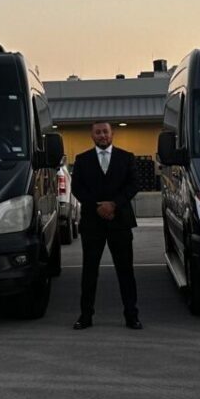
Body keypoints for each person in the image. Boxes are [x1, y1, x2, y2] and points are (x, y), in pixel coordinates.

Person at [70, 119, 140, 330]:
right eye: (98, 132)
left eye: (105, 132)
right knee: (89, 272)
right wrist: (97, 207)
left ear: (112, 134)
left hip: (120, 223)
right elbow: (77, 189)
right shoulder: (82, 160)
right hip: (92, 223)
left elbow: (134, 185)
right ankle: (85, 316)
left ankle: (132, 316)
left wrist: (113, 205)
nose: (102, 135)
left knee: (125, 271)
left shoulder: (126, 158)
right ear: (92, 135)